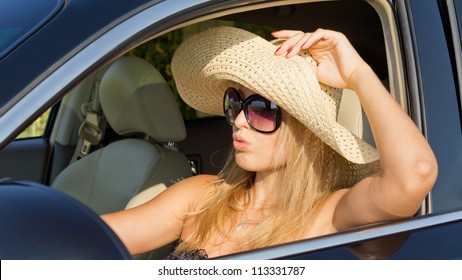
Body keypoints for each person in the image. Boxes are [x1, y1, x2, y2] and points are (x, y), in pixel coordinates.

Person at [101, 26, 437, 259]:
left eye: (261, 109)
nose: (240, 120)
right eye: (235, 102)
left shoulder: (331, 215)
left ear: (305, 128)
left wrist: (357, 74)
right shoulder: (200, 197)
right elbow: (90, 237)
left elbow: (416, 173)